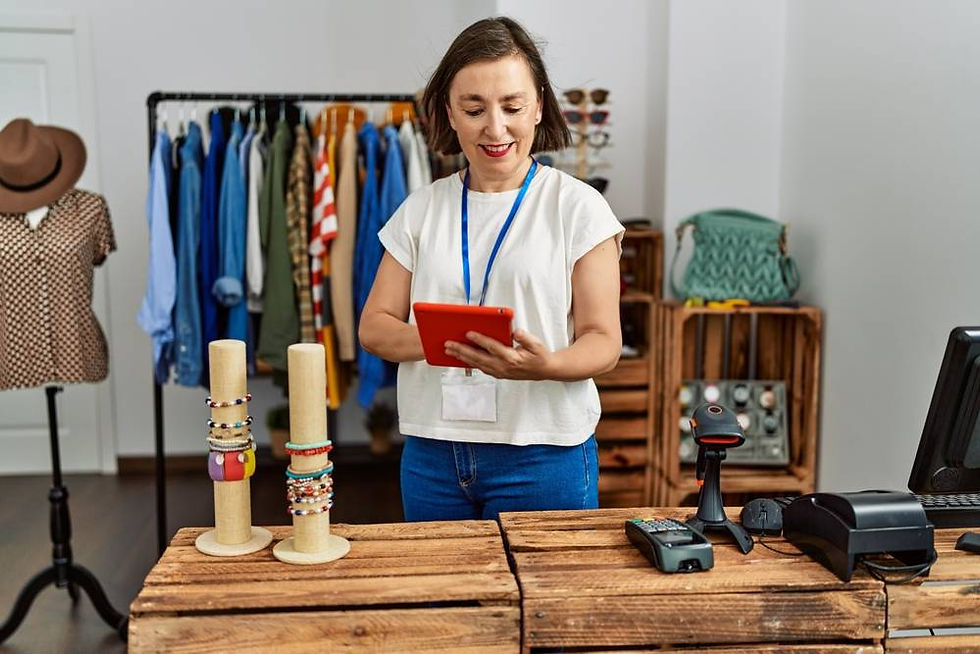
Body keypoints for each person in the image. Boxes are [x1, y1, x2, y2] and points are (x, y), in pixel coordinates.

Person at [358, 17, 624, 521]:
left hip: (544, 452)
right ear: (448, 113)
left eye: (512, 107)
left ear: (539, 105)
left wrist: (543, 366)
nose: (495, 128)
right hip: (433, 455)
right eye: (474, 109)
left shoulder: (578, 208)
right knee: (442, 578)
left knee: (546, 578)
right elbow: (374, 326)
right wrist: (455, 343)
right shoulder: (420, 209)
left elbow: (603, 340)